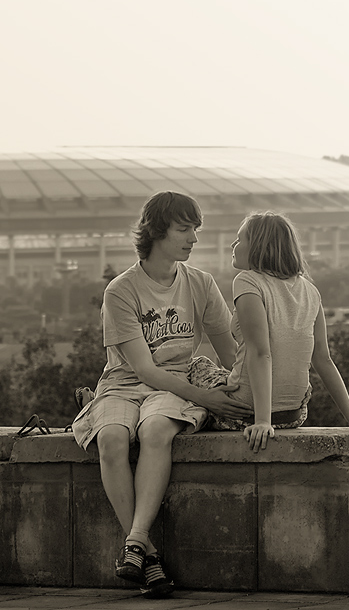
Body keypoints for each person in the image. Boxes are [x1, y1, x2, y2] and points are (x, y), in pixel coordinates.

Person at [71, 191, 251, 598]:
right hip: (124, 382)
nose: (194, 239)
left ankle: (133, 544)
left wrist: (252, 399)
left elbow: (231, 353)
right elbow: (143, 369)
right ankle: (147, 552)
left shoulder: (201, 284)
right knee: (113, 438)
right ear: (156, 231)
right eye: (184, 229)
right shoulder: (121, 290)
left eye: (195, 230)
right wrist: (205, 399)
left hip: (176, 382)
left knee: (155, 432)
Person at [208, 210, 349, 451]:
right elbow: (324, 359)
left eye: (240, 238)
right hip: (292, 416)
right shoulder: (310, 290)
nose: (233, 244)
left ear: (257, 246)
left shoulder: (247, 281)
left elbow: (260, 353)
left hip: (244, 414)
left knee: (197, 368)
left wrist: (263, 421)